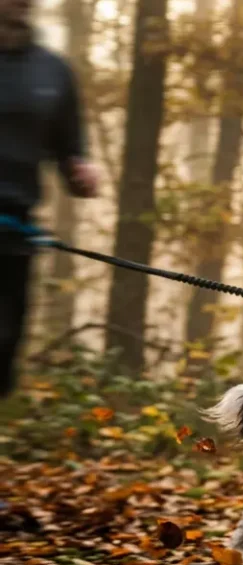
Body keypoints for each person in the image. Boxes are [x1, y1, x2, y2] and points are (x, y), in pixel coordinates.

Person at [0, 0, 98, 398]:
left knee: (4, 347)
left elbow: (69, 150)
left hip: (15, 232)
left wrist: (80, 173)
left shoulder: (53, 71)